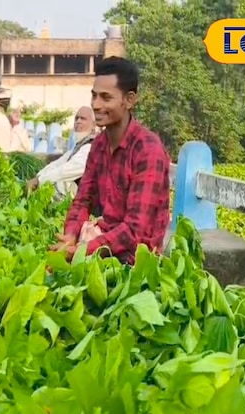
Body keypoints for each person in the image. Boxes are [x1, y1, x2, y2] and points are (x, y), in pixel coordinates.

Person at [51, 57, 170, 265]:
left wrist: (82, 251)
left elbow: (135, 230)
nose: (96, 105)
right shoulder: (99, 144)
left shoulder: (147, 149)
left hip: (136, 262)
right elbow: (83, 199)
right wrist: (70, 235)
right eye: (94, 96)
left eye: (106, 98)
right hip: (103, 246)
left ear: (129, 100)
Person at [28, 106, 97, 199]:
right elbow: (57, 164)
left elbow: (67, 170)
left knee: (60, 183)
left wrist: (40, 180)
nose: (78, 121)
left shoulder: (92, 146)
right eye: (76, 118)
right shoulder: (79, 146)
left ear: (93, 125)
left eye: (83, 119)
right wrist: (38, 177)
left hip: (93, 200)